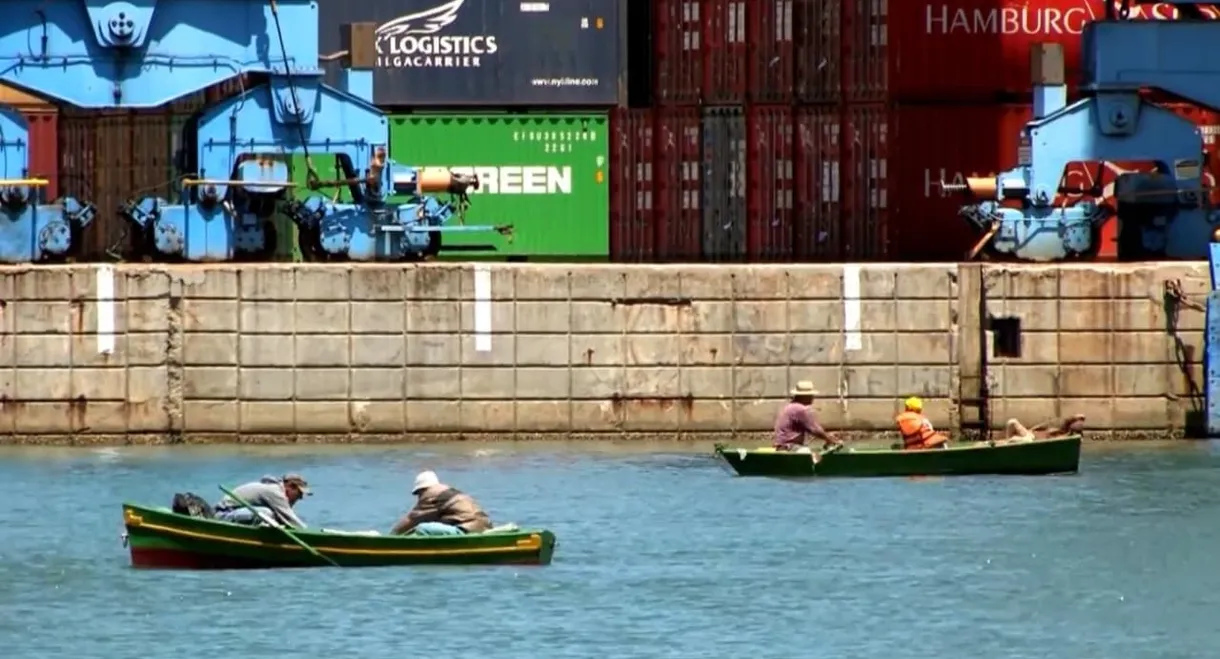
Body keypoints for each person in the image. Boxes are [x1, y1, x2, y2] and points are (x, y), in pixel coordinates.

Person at [390, 470, 493, 536]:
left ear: (422, 489)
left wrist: (392, 536)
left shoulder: (430, 494)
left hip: (467, 529)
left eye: (418, 493)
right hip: (483, 525)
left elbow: (412, 519)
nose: (419, 497)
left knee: (422, 528)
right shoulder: (447, 491)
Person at [213, 473, 311, 529]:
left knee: (273, 516)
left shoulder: (276, 490)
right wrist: (308, 533)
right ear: (290, 487)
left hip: (238, 512)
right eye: (299, 493)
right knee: (266, 513)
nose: (301, 498)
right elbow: (290, 519)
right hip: (223, 515)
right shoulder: (274, 491)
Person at [773, 380, 842, 452]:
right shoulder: (801, 409)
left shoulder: (790, 406)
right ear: (804, 396)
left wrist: (827, 437)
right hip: (790, 447)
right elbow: (815, 429)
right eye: (811, 395)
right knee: (814, 454)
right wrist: (830, 439)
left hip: (781, 446)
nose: (813, 397)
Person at [1004, 414, 1086, 442]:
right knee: (1012, 422)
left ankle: (1009, 443)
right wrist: (1076, 417)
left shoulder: (1065, 437)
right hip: (1030, 435)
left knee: (1014, 439)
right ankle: (1006, 445)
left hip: (1031, 441)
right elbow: (1067, 421)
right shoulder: (1062, 430)